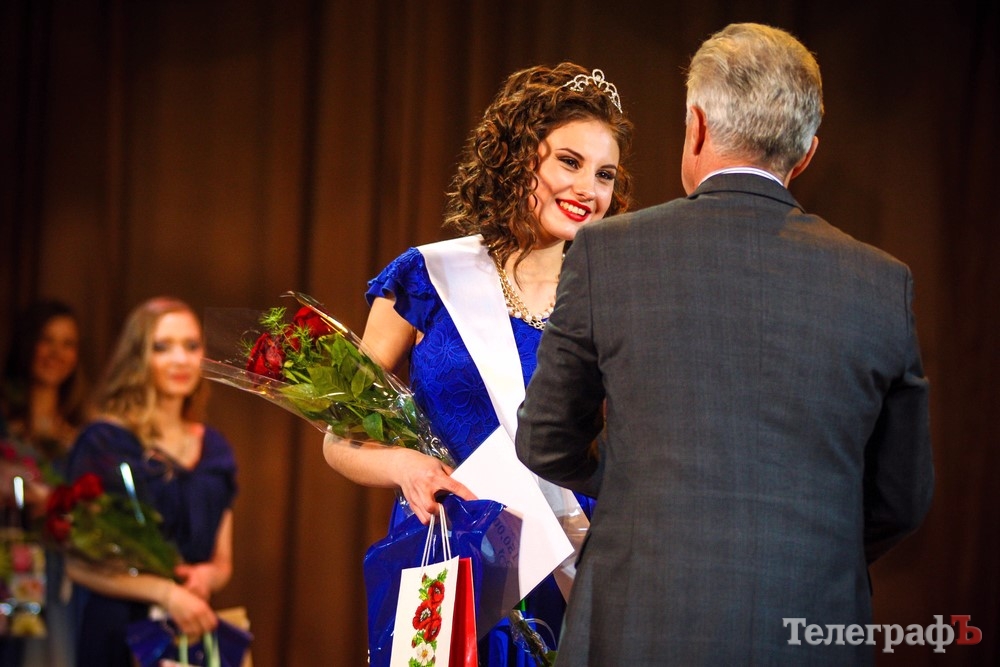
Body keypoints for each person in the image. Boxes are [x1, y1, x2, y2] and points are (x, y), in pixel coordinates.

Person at [515, 23, 934, 666]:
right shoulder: (882, 283)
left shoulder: (607, 253)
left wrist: (640, 489)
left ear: (697, 127)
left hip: (636, 625)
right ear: (806, 154)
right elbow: (902, 499)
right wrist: (811, 545)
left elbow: (546, 439)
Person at [322, 62, 634, 663]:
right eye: (569, 162)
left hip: (573, 555)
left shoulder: (615, 298)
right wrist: (406, 466)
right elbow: (340, 438)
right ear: (519, 159)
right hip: (451, 551)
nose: (587, 189)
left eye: (604, 174)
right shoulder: (427, 278)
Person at [64, 297, 238, 667]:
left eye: (191, 346)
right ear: (137, 356)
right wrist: (166, 594)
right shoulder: (104, 442)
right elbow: (77, 563)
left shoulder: (216, 448)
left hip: (187, 630)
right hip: (117, 631)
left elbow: (222, 562)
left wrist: (207, 578)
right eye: (162, 347)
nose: (180, 359)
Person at [0, 300, 90, 667]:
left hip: (59, 576)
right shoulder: (5, 423)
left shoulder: (82, 435)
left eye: (68, 343)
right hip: (8, 561)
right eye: (46, 340)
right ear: (27, 344)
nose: (56, 353)